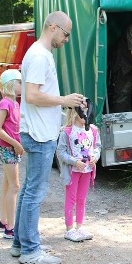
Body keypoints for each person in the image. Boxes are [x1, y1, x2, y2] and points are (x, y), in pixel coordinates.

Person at [10, 11, 85, 264]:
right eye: (66, 34)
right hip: (39, 135)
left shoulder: (38, 53)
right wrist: (64, 100)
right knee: (35, 192)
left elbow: (39, 94)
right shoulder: (40, 55)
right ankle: (31, 251)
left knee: (28, 191)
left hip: (36, 131)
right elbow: (31, 95)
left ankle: (21, 244)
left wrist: (63, 102)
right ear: (53, 27)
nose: (66, 40)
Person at [56, 103, 100, 242]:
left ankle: (79, 227)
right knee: (71, 199)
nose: (86, 116)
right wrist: (74, 162)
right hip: (73, 171)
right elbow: (60, 152)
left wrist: (95, 158)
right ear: (75, 114)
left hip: (87, 171)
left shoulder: (93, 130)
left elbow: (97, 147)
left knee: (82, 198)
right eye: (83, 112)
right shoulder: (67, 132)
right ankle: (69, 229)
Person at [0, 69, 24, 240]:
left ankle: (4, 221)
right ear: (12, 84)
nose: (22, 85)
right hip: (8, 149)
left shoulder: (16, 104)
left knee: (7, 184)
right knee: (15, 186)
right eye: (20, 82)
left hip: (12, 148)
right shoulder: (5, 103)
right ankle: (10, 228)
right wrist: (16, 144)